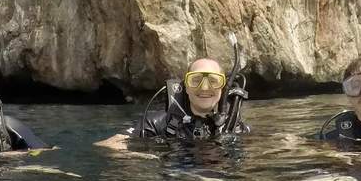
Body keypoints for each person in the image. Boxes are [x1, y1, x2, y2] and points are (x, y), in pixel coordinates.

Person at [95, 57, 249, 149]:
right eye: (195, 80)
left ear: (223, 88)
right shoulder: (158, 123)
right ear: (186, 87)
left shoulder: (234, 126)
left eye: (214, 81)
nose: (205, 87)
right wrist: (148, 158)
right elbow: (108, 144)